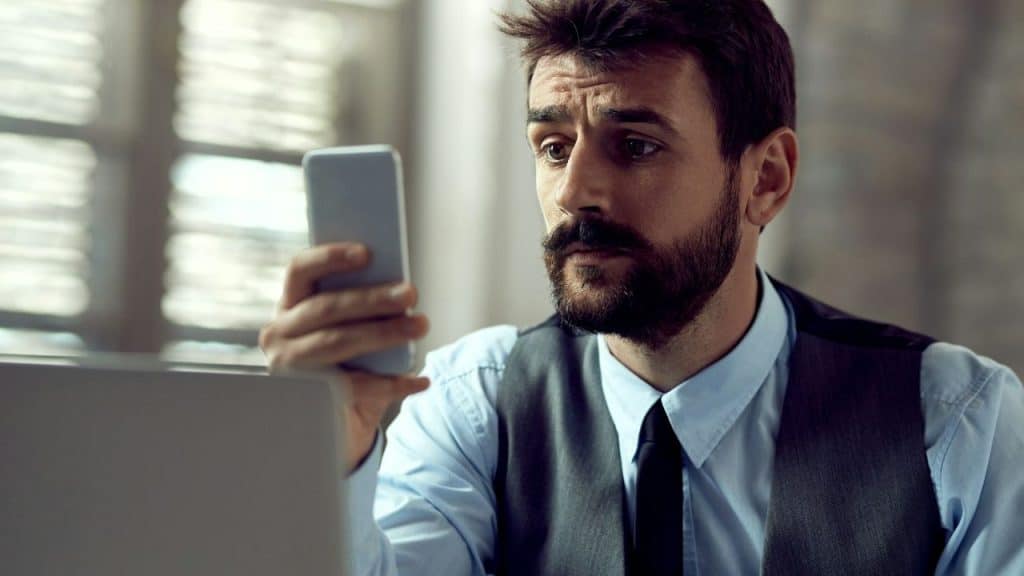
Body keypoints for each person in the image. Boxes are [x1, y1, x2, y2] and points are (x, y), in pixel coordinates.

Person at [258, 1, 1024, 574]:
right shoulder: (468, 405)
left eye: (636, 145)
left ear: (766, 178)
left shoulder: (956, 420)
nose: (575, 192)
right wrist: (327, 460)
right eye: (553, 146)